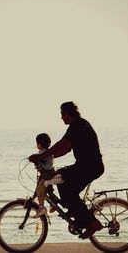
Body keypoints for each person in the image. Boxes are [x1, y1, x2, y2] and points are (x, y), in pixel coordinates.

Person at [29, 101, 104, 239]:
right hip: (86, 165)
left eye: (62, 114)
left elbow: (63, 145)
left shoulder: (77, 125)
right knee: (62, 179)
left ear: (68, 113)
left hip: (90, 167)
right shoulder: (79, 124)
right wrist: (47, 156)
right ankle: (75, 211)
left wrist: (43, 156)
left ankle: (92, 223)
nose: (61, 117)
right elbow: (65, 148)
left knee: (68, 190)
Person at [31, 133, 55, 218]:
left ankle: (41, 208)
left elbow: (46, 166)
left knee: (39, 191)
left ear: (39, 144)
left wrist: (38, 162)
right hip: (49, 174)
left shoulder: (44, 153)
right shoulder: (47, 152)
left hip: (46, 175)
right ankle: (53, 204)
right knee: (48, 191)